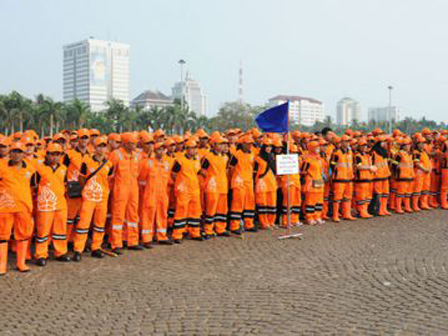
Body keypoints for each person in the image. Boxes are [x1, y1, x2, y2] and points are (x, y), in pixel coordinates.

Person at [72, 136, 113, 261]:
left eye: (103, 146)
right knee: (83, 223)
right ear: (94, 147)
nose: (101, 148)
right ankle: (78, 249)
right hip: (89, 197)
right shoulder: (86, 162)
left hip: (102, 197)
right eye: (99, 146)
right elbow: (81, 178)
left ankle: (96, 247)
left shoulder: (109, 164)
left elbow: (109, 180)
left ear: (106, 148)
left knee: (100, 224)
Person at [33, 143, 71, 266]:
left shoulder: (64, 168)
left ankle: (60, 252)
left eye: (58, 154)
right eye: (52, 154)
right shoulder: (39, 168)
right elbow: (34, 186)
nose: (55, 157)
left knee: (60, 229)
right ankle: (41, 255)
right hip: (45, 204)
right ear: (47, 154)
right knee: (43, 230)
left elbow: (65, 185)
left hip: (60, 203)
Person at [0, 142, 35, 274]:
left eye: (19, 151)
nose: (16, 154)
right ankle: (1, 266)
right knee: (2, 236)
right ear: (10, 152)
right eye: (14, 151)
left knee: (23, 235)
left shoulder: (31, 169)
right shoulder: (1, 167)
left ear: (23, 153)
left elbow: (33, 187)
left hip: (24, 207)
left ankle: (21, 263)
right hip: (5, 207)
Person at [109, 133, 143, 254]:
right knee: (118, 215)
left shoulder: (137, 156)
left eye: (135, 143)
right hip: (120, 188)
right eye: (131, 143)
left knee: (133, 215)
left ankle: (132, 241)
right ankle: (116, 243)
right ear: (125, 143)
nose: (134, 146)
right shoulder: (116, 154)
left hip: (133, 188)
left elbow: (138, 172)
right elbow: (110, 173)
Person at [139, 142, 173, 247]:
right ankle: (147, 238)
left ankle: (162, 236)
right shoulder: (147, 163)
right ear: (154, 151)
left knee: (162, 214)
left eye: (163, 149)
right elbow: (141, 180)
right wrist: (147, 191)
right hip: (150, 193)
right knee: (148, 215)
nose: (161, 152)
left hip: (163, 193)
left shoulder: (166, 164)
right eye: (159, 149)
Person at [171, 139, 203, 243]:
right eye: (191, 148)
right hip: (184, 190)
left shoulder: (196, 160)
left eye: (194, 148)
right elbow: (173, 173)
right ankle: (178, 234)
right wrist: (180, 184)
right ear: (187, 149)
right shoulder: (180, 160)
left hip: (194, 189)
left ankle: (195, 232)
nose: (193, 150)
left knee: (195, 212)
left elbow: (197, 172)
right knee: (181, 211)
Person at [200, 135, 230, 238]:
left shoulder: (225, 157)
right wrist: (210, 178)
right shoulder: (208, 157)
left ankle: (220, 228)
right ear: (214, 145)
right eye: (220, 144)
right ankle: (208, 230)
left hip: (223, 186)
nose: (222, 146)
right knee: (211, 209)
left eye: (223, 144)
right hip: (212, 187)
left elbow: (226, 170)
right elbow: (202, 170)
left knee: (222, 209)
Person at [228, 135, 256, 234]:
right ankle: (234, 226)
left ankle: (249, 224)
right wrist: (235, 178)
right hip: (239, 182)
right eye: (248, 144)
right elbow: (230, 168)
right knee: (237, 204)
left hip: (249, 182)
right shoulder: (236, 154)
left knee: (250, 203)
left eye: (251, 144)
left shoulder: (252, 154)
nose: (250, 146)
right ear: (243, 144)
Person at [254, 138, 277, 229]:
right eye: (267, 146)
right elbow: (254, 171)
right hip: (262, 183)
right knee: (262, 203)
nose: (269, 148)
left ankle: (271, 222)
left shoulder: (272, 157)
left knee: (272, 203)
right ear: (263, 147)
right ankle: (264, 223)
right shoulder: (258, 157)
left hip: (271, 182)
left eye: (270, 146)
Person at [301, 141, 325, 225]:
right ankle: (309, 217)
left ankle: (317, 216)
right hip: (311, 182)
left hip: (319, 181)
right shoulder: (307, 159)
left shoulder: (319, 158)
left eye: (318, 147)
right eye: (316, 147)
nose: (318, 149)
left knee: (319, 200)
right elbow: (303, 172)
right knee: (311, 201)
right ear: (311, 148)